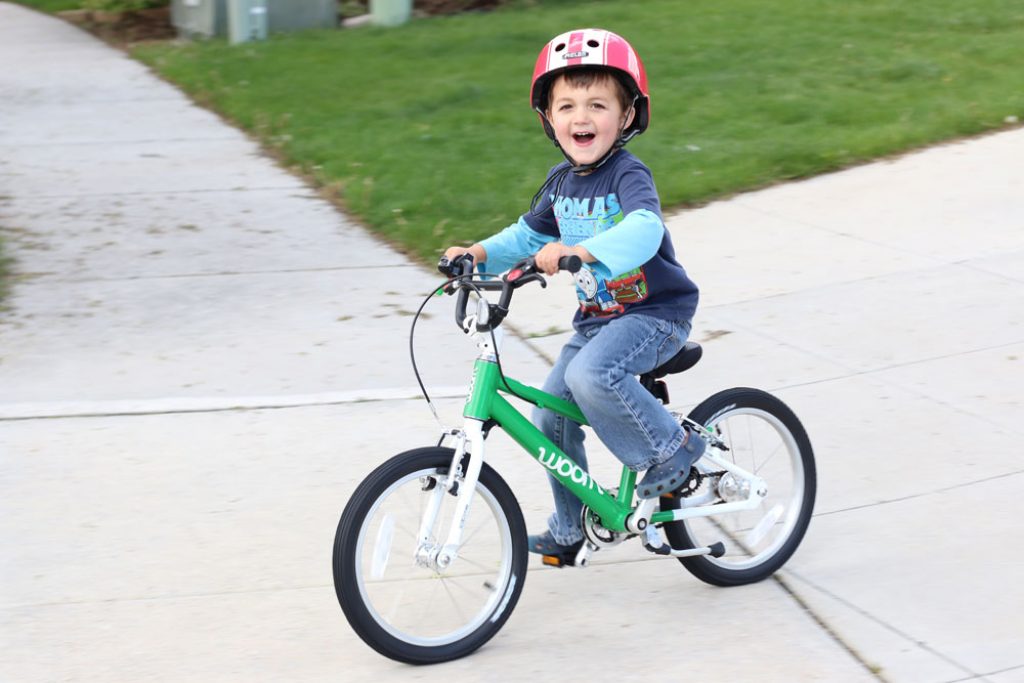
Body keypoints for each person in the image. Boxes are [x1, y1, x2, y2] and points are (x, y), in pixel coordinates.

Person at [442, 28, 703, 559]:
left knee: (590, 376)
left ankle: (672, 452)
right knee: (551, 413)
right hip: (599, 323)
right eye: (566, 105)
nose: (581, 117)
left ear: (627, 116)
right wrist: (478, 253)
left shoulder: (629, 173)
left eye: (597, 104)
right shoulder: (561, 182)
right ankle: (571, 529)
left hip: (654, 315)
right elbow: (526, 236)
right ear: (548, 118)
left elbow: (646, 229)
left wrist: (583, 253)